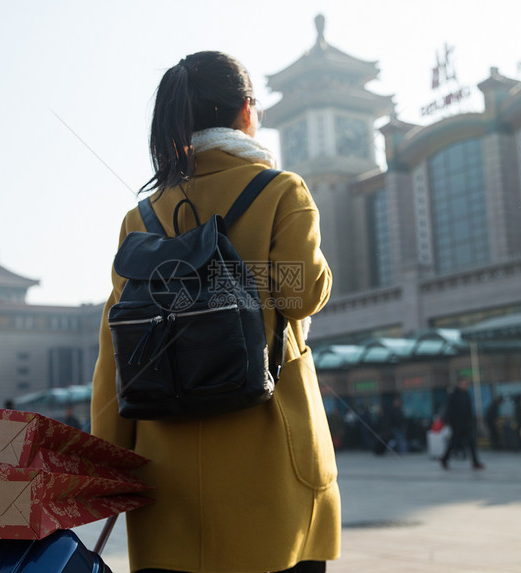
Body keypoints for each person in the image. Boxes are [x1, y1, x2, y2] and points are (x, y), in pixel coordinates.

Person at [90, 51, 338, 573]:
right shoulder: (280, 191)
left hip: (166, 478)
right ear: (246, 111)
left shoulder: (141, 218)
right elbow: (300, 297)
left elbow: (114, 350)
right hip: (269, 464)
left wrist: (109, 461)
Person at [439, 377, 484, 470]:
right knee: (453, 443)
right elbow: (449, 409)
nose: (465, 386)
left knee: (472, 443)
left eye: (466, 384)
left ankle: (475, 462)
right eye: (463, 384)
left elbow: (469, 409)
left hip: (467, 423)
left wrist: (472, 420)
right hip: (457, 424)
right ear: (459, 384)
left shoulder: (467, 395)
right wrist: (448, 422)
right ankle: (444, 459)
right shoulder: (454, 395)